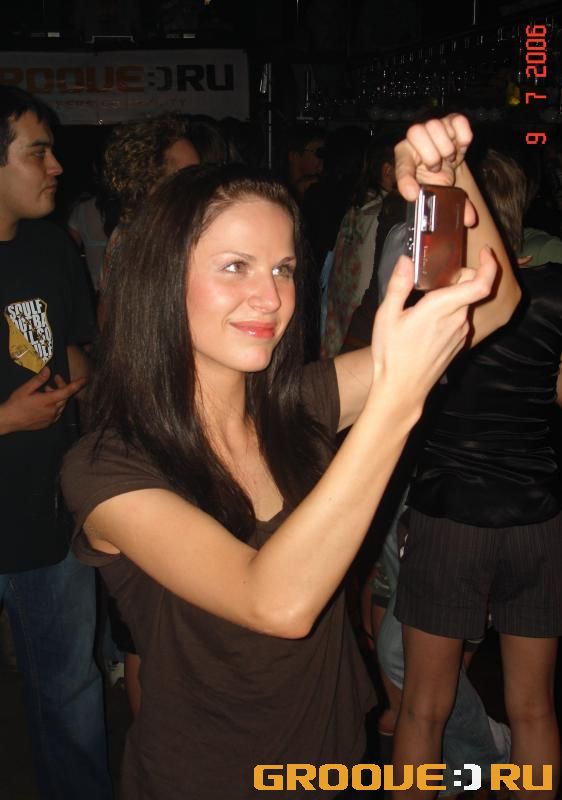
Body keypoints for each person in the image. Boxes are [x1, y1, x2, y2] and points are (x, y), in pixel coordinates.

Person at [61, 115, 518, 800]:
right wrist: (396, 399)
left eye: (283, 268)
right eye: (235, 267)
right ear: (161, 279)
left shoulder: (297, 403)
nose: (271, 297)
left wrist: (445, 183)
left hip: (331, 757)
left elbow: (494, 305)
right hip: (209, 780)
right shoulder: (108, 465)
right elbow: (276, 602)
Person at [391, 142, 562, 799]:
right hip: (537, 516)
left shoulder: (432, 303)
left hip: (452, 512)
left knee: (422, 710)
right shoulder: (555, 293)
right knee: (534, 709)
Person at [0, 86, 113, 798]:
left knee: (71, 696)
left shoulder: (50, 246)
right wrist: (4, 420)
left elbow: (66, 350)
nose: (56, 166)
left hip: (48, 518)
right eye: (37, 152)